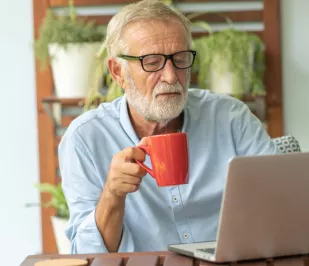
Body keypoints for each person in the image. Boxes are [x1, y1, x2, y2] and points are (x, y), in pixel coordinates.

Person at [58, 0, 278, 254]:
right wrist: (112, 194)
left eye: (180, 59)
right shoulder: (85, 138)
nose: (171, 76)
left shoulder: (230, 118)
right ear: (118, 71)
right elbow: (86, 254)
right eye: (152, 62)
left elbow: (280, 201)